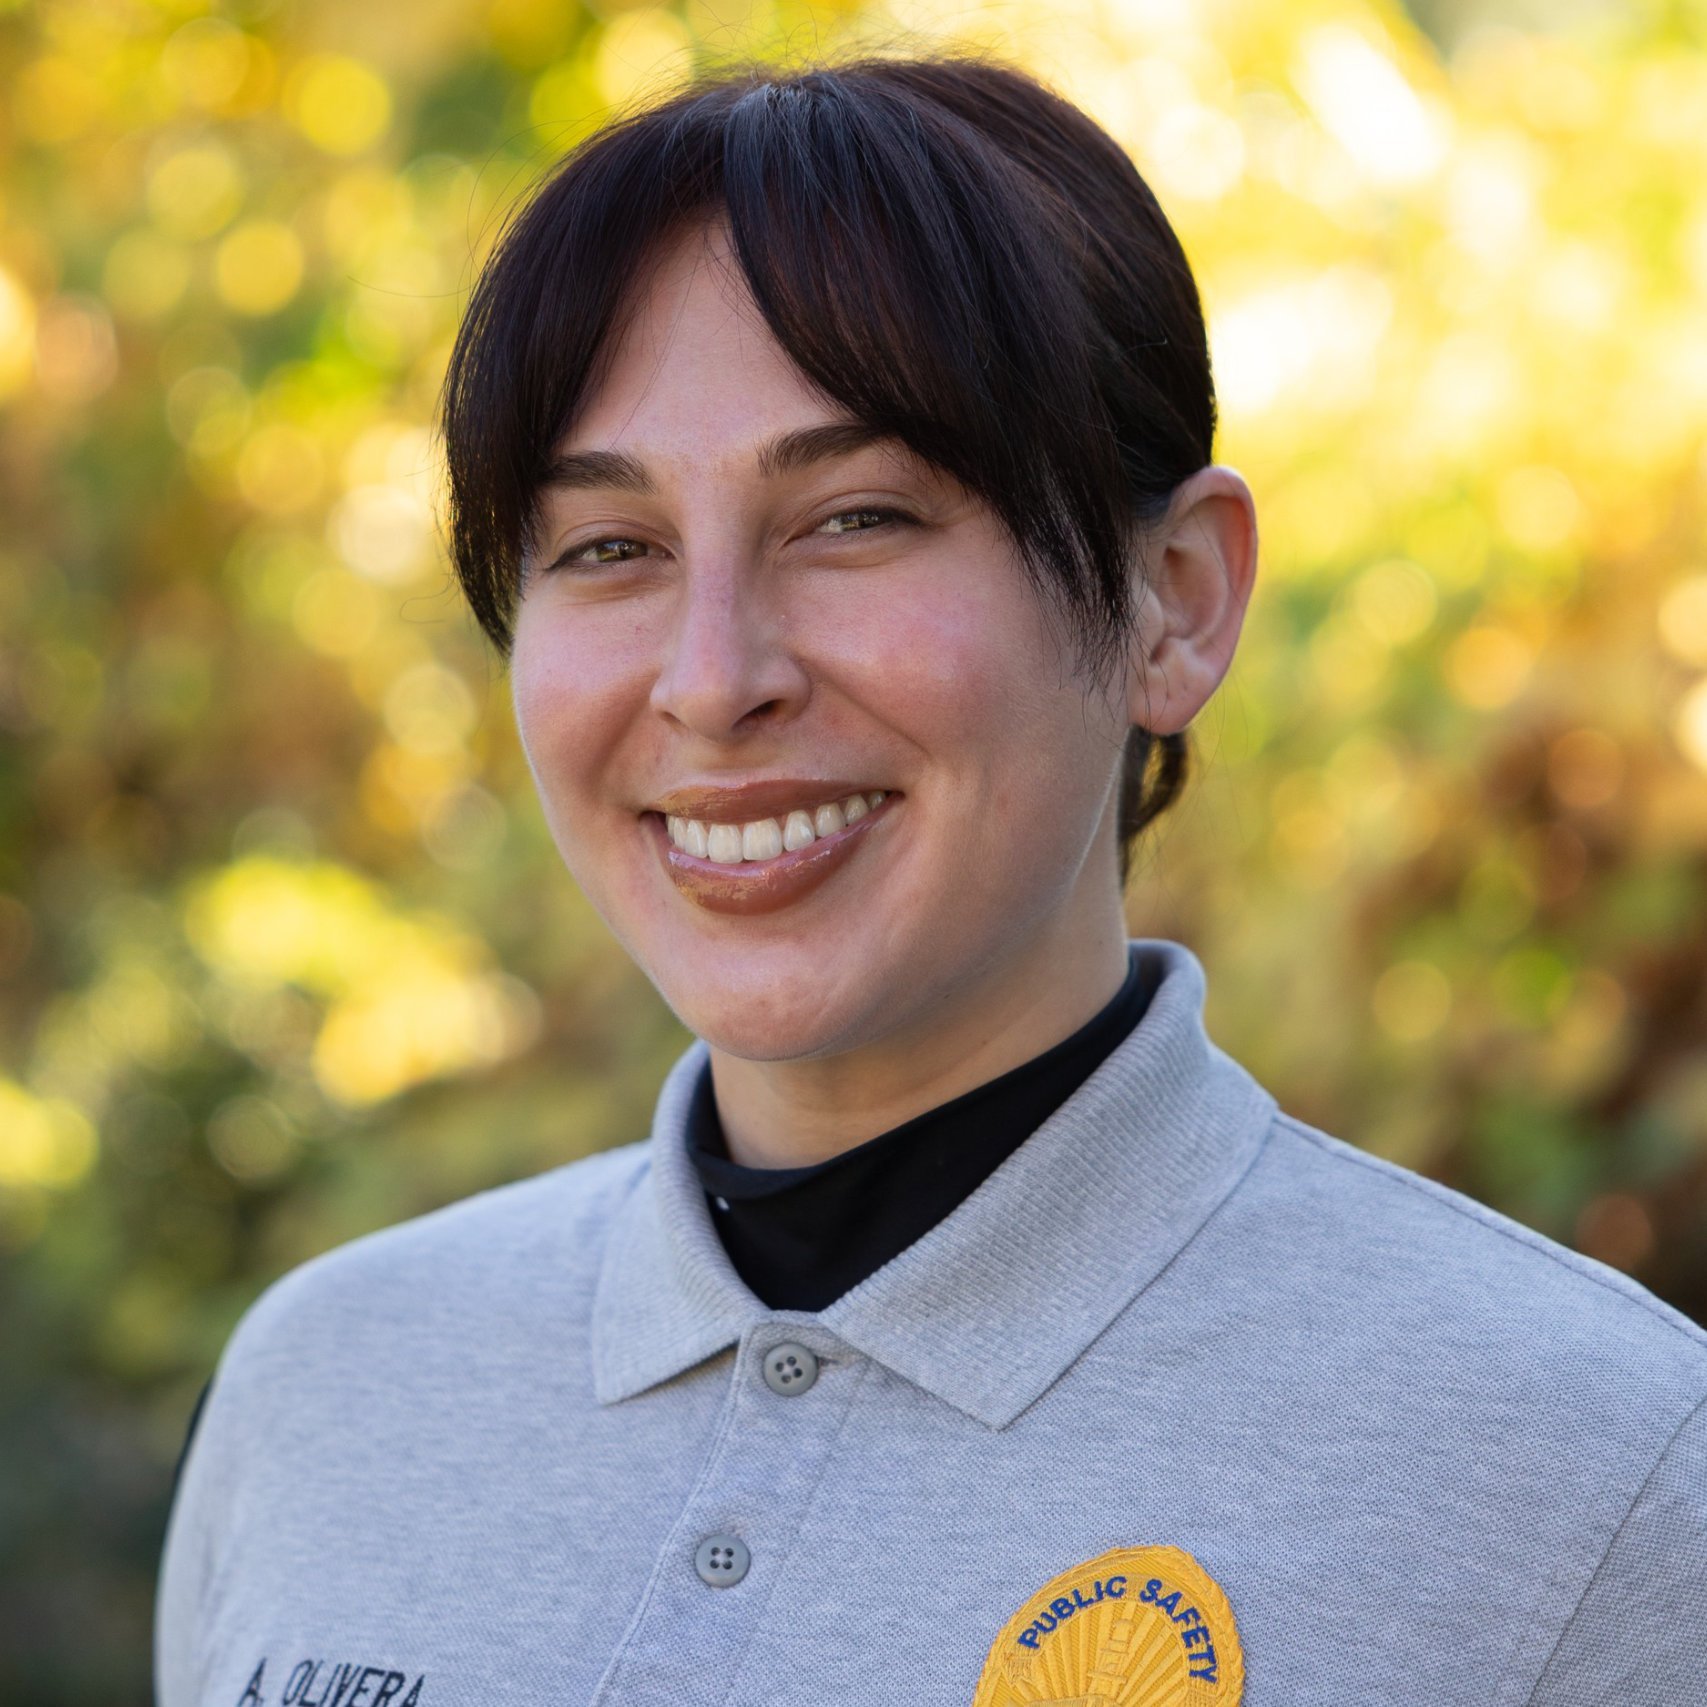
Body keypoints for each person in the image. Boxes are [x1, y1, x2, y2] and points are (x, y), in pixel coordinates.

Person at [155, 53, 1707, 1707]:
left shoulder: (1594, 1476)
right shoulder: (324, 1391)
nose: (710, 677)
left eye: (858, 518)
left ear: (1173, 602)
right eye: (611, 547)